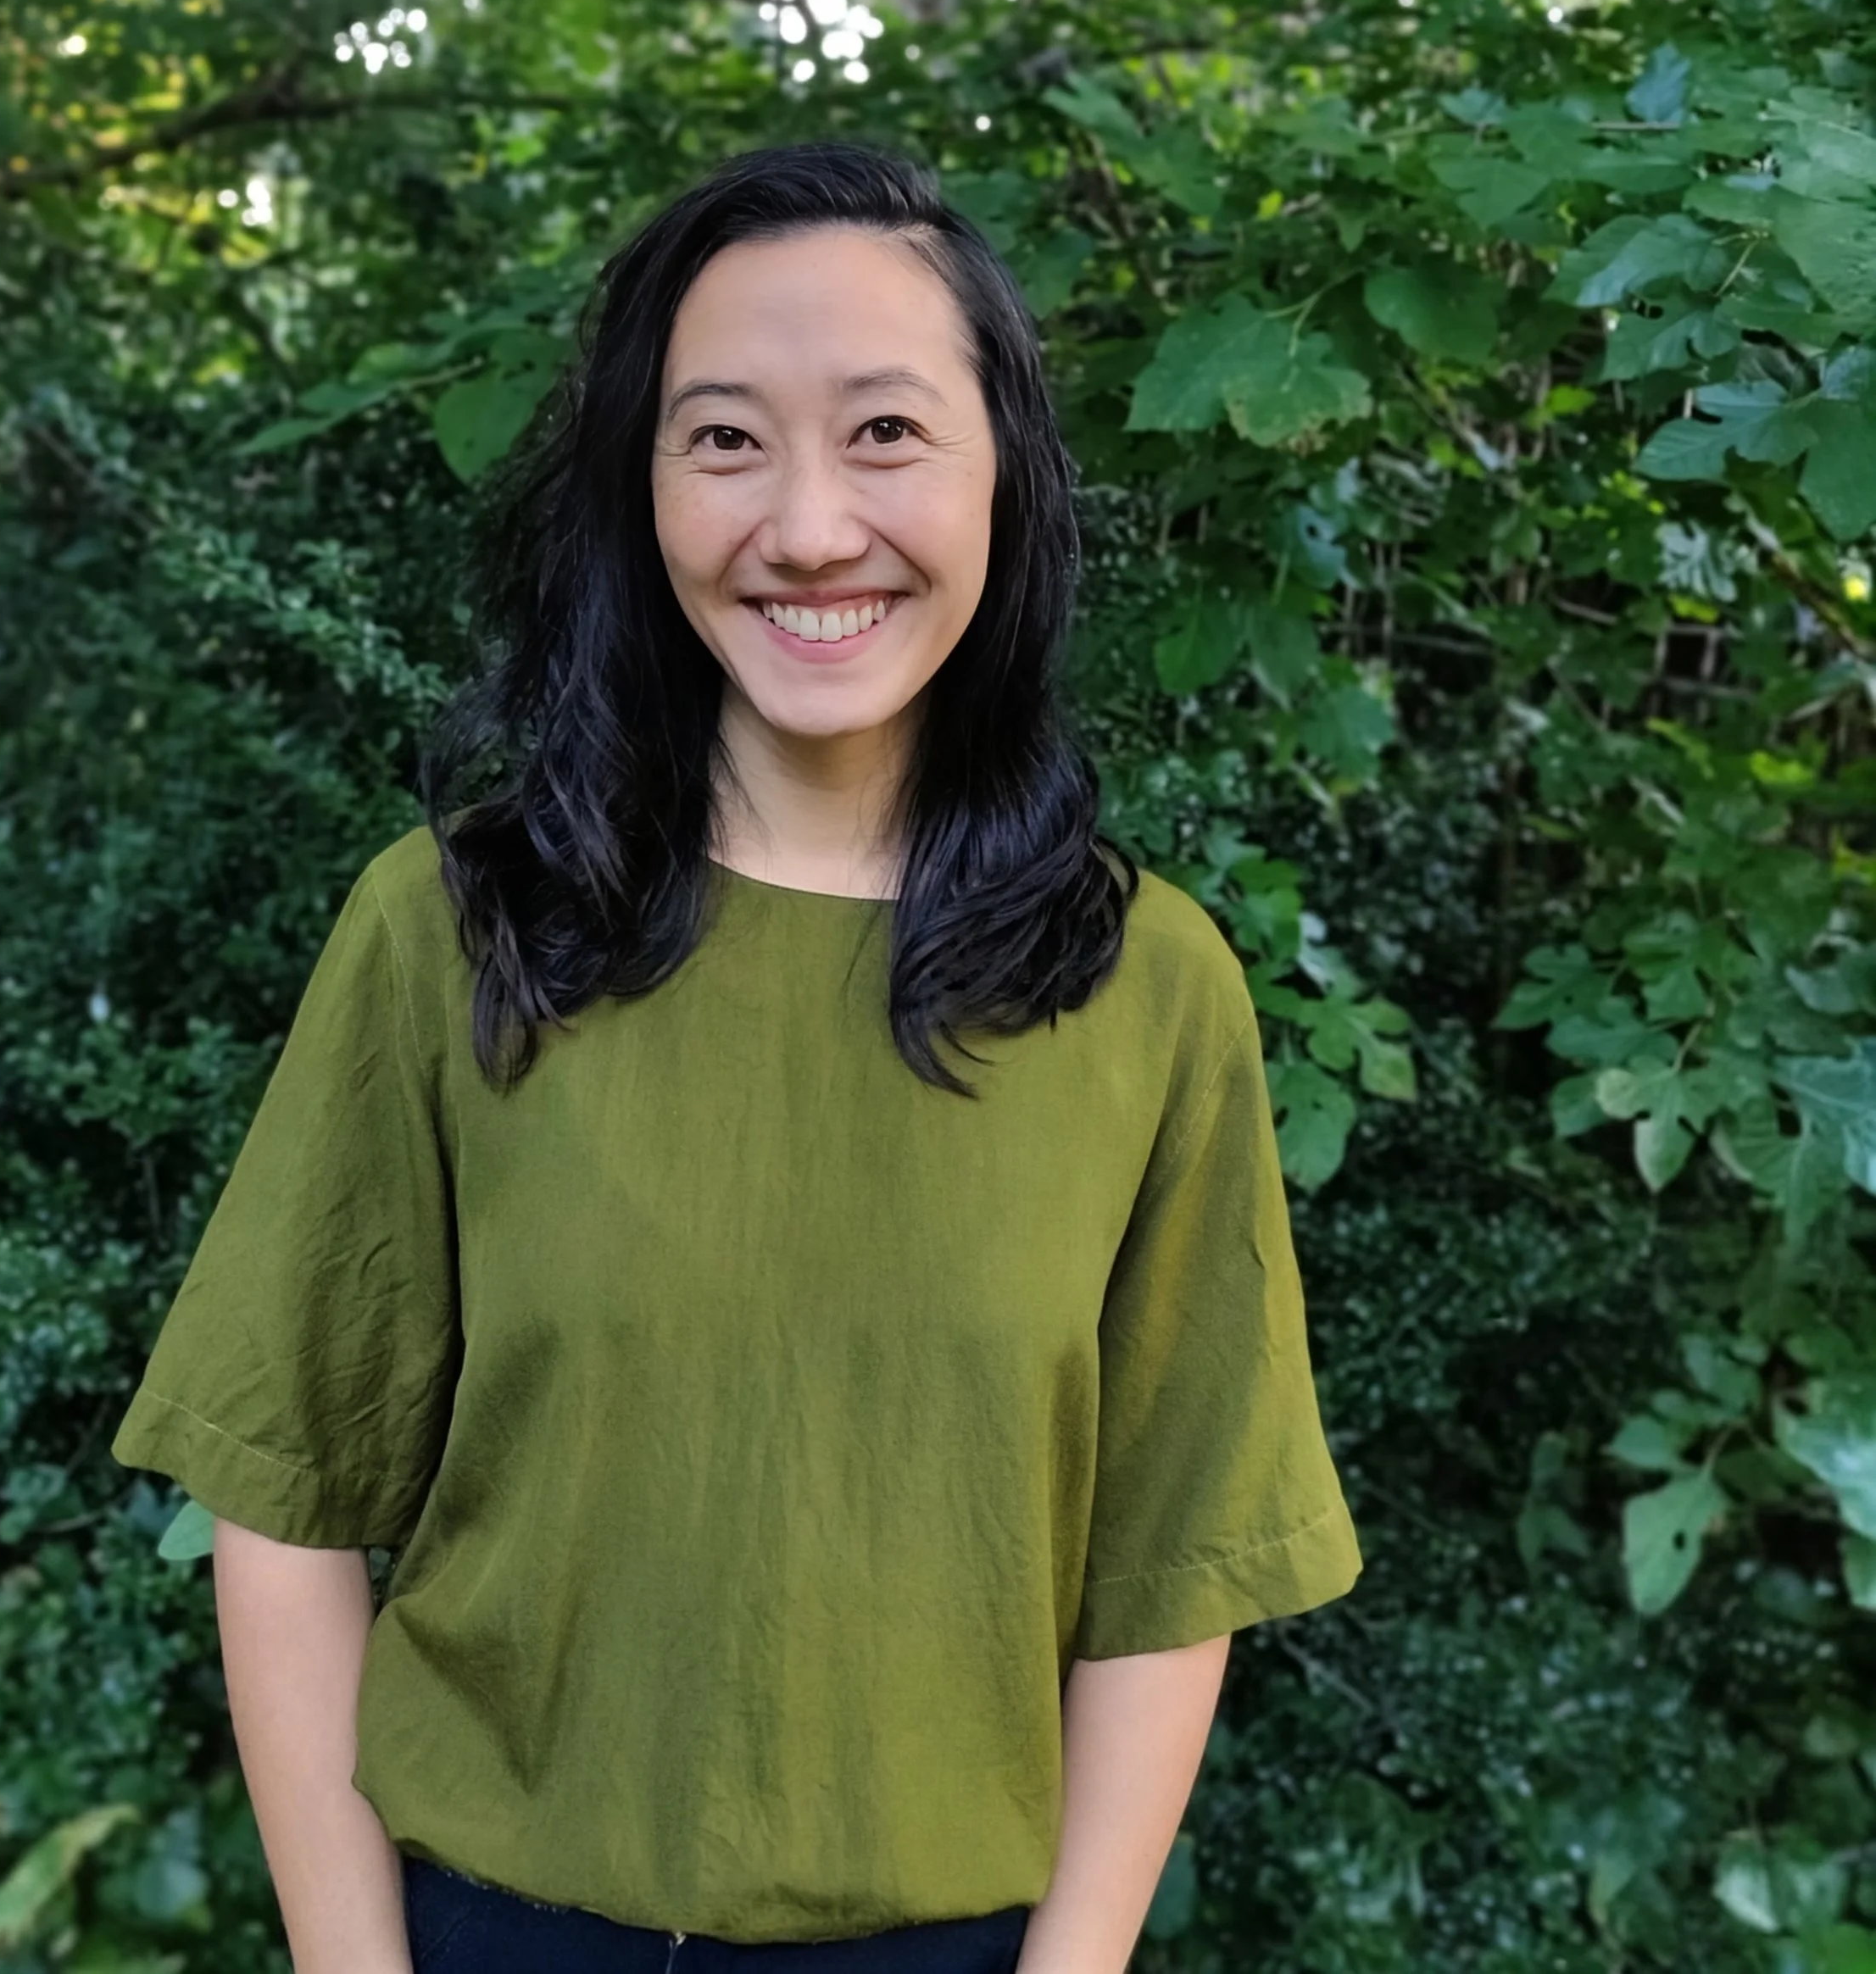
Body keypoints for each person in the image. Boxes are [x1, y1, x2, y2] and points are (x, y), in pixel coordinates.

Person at [110, 139, 1361, 1974]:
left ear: (1001, 472)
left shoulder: (1144, 990)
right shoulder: (453, 934)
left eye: (881, 433)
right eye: (720, 439)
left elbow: (1167, 1576)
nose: (803, 528)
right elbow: (281, 1500)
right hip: (490, 1934)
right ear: (639, 491)